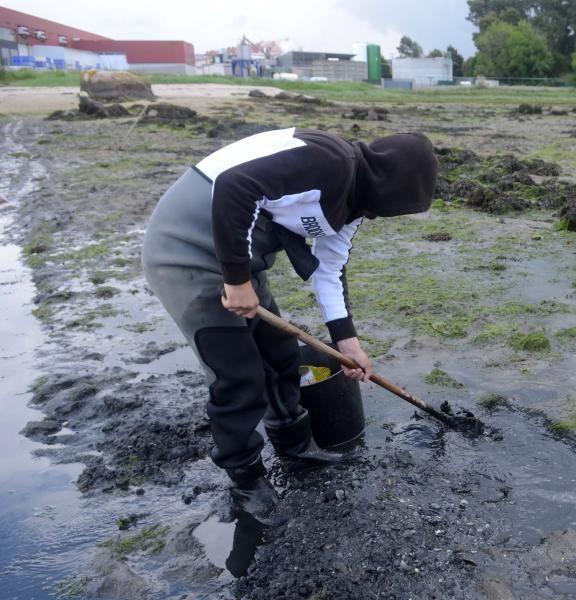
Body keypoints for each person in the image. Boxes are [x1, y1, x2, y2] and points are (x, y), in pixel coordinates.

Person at [141, 128, 438, 522]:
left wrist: (347, 342)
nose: (383, 214)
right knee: (238, 376)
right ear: (390, 183)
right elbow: (235, 186)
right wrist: (235, 281)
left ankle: (295, 447)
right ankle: (246, 482)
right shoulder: (327, 162)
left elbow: (329, 270)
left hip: (240, 263)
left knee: (279, 354)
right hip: (186, 252)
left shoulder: (354, 204)